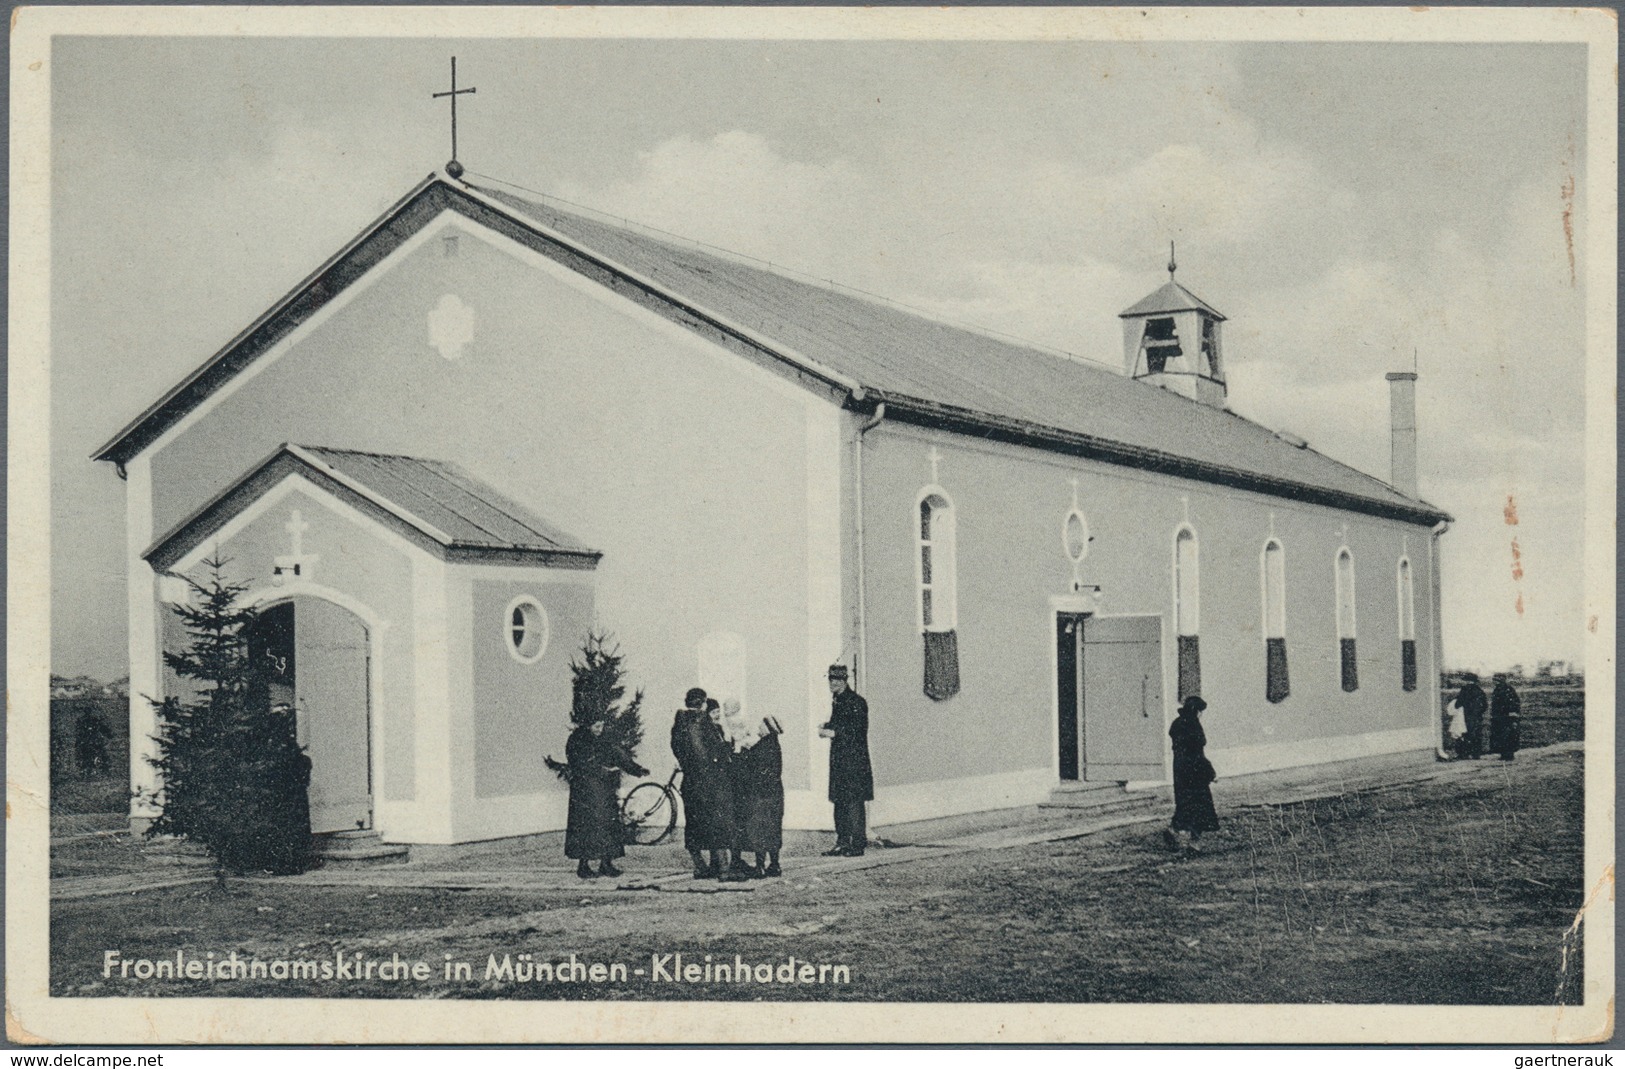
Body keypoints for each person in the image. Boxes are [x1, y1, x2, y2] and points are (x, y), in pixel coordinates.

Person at [564, 716, 648, 879]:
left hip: (604, 790)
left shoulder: (604, 738)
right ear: (587, 724)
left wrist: (636, 769)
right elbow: (578, 762)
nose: (599, 729)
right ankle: (583, 865)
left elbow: (618, 754)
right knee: (586, 827)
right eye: (596, 725)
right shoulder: (577, 739)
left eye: (601, 725)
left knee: (608, 826)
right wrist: (603, 770)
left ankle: (606, 864)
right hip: (584, 792)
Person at [670, 688, 741, 880]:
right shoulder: (703, 723)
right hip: (710, 782)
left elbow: (677, 748)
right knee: (717, 823)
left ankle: (700, 867)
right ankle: (725, 871)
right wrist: (726, 745)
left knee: (694, 824)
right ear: (702, 703)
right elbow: (713, 751)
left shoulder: (679, 723)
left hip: (690, 782)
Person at [820, 664, 873, 857]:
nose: (832, 683)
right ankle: (842, 842)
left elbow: (857, 730)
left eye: (836, 680)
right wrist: (826, 726)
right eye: (830, 680)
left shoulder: (857, 702)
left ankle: (858, 844)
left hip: (854, 762)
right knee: (839, 802)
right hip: (840, 761)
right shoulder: (838, 701)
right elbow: (840, 724)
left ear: (844, 681)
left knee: (853, 802)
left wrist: (833, 732)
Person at [730, 713, 786, 878]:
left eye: (762, 725)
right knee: (774, 830)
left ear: (768, 729)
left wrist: (739, 752)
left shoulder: (762, 746)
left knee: (759, 830)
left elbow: (750, 768)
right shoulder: (774, 745)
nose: (759, 728)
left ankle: (760, 867)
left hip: (761, 795)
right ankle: (774, 865)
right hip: (775, 794)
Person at [1166, 695, 1219, 850]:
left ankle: (1174, 828)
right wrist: (1210, 772)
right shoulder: (1194, 726)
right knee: (1200, 806)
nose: (1201, 715)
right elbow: (1198, 752)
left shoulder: (1177, 724)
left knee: (1184, 803)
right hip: (1195, 772)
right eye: (1200, 711)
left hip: (1180, 770)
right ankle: (1195, 842)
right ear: (1196, 711)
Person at [1451, 674, 1489, 759]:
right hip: (1477, 717)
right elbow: (1485, 705)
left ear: (1468, 681)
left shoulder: (1465, 690)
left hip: (1466, 716)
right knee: (1476, 735)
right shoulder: (1480, 691)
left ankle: (1464, 754)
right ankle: (1476, 754)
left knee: (1464, 734)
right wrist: (1479, 712)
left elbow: (1458, 703)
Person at [1489, 673, 1523, 761]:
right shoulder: (1503, 689)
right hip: (1501, 716)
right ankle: (1505, 753)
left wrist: (1511, 712)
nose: (1494, 681)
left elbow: (1512, 702)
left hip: (1504, 716)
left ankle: (1507, 754)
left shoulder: (1505, 689)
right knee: (1504, 735)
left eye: (1496, 680)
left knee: (1506, 735)